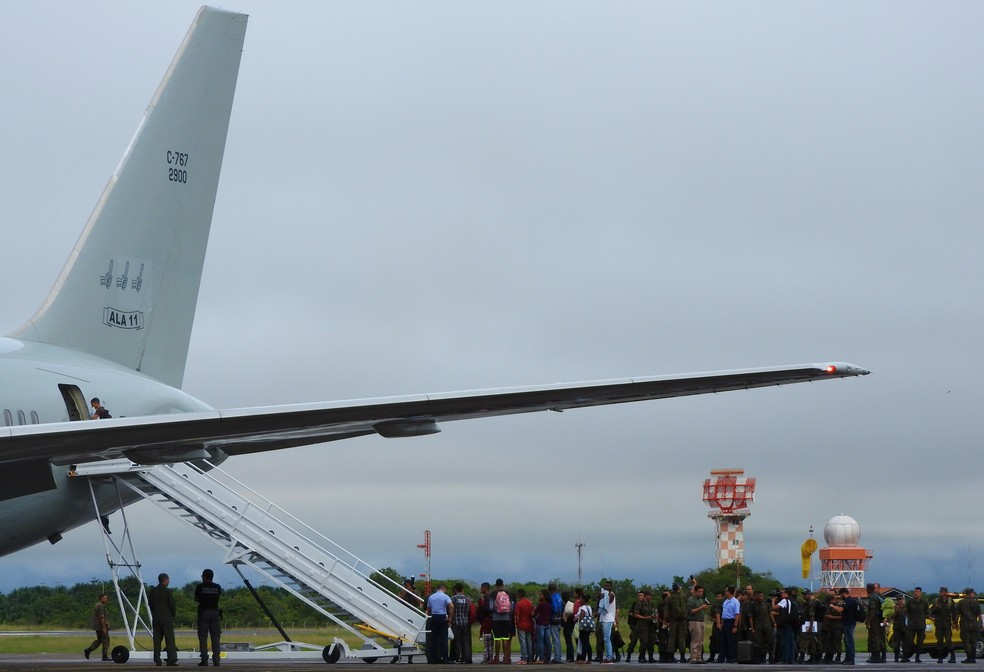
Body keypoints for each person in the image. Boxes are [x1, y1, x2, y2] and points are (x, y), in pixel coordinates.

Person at [149, 573, 179, 667]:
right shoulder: (167, 591)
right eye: (168, 579)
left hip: (156, 618)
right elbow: (172, 605)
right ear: (165, 580)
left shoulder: (153, 591)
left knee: (157, 640)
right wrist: (172, 614)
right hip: (166, 618)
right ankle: (171, 659)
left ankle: (157, 659)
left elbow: (150, 604)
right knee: (170, 640)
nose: (169, 581)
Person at [195, 568, 222, 667]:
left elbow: (196, 599)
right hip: (215, 613)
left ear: (204, 577)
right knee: (215, 638)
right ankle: (216, 660)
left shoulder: (200, 587)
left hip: (204, 613)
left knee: (203, 637)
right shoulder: (217, 587)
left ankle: (204, 660)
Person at [426, 583, 454, 664]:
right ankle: (445, 658)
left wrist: (431, 616)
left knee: (434, 639)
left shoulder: (431, 597)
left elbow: (428, 609)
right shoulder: (445, 597)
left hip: (434, 617)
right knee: (444, 639)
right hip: (442, 617)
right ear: (444, 589)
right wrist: (450, 618)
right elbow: (451, 606)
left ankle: (433, 659)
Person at [931, 586, 957, 664]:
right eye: (940, 591)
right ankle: (940, 658)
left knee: (949, 641)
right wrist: (936, 608)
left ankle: (953, 657)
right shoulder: (936, 601)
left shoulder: (950, 601)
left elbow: (954, 612)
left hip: (947, 624)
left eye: (941, 591)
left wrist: (954, 623)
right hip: (939, 625)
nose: (940, 593)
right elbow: (931, 611)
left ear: (945, 592)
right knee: (939, 641)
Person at [83, 593, 112, 661]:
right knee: (106, 641)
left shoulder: (97, 605)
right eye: (105, 598)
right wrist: (104, 628)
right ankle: (104, 656)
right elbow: (101, 617)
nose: (106, 599)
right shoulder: (101, 606)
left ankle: (88, 650)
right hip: (101, 627)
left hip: (98, 627)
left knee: (100, 640)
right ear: (101, 598)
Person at [687, 583, 710, 663]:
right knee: (695, 640)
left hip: (701, 620)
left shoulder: (700, 599)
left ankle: (699, 657)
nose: (701, 593)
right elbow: (690, 611)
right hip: (694, 621)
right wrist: (700, 608)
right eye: (699, 591)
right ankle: (693, 657)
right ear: (695, 591)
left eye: (702, 592)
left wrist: (705, 607)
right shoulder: (691, 600)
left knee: (700, 641)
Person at [903, 586, 928, 663]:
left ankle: (917, 657)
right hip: (912, 625)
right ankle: (905, 657)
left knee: (920, 642)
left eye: (917, 592)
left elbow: (927, 612)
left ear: (920, 593)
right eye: (915, 592)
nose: (916, 593)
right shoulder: (910, 602)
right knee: (908, 641)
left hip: (921, 625)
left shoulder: (924, 602)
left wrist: (924, 617)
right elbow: (906, 611)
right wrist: (909, 617)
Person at [451, 583, 474, 664]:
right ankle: (466, 657)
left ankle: (457, 657)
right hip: (465, 622)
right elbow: (468, 610)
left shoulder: (453, 598)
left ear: (455, 589)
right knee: (465, 641)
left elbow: (451, 609)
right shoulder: (467, 599)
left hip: (456, 622)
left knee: (456, 640)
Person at [957, 588, 981, 664]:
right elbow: (979, 615)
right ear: (971, 593)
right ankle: (973, 658)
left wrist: (955, 623)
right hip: (974, 624)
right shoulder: (976, 603)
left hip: (965, 624)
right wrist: (981, 624)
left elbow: (957, 614)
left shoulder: (961, 602)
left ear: (966, 594)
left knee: (966, 641)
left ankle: (969, 657)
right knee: (973, 641)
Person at [865, 583, 887, 664]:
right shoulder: (877, 597)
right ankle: (881, 656)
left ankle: (876, 657)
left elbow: (873, 610)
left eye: (867, 588)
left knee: (874, 638)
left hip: (875, 622)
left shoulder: (873, 597)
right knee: (880, 637)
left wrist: (868, 621)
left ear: (869, 589)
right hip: (879, 621)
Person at [718, 586, 740, 664]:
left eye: (726, 591)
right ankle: (721, 658)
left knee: (730, 641)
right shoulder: (726, 601)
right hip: (725, 621)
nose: (725, 592)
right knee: (723, 640)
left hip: (731, 621)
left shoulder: (735, 602)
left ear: (730, 592)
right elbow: (724, 613)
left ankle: (730, 657)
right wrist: (722, 623)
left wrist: (735, 626)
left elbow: (737, 614)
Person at [839, 588, 860, 665]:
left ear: (844, 593)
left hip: (849, 623)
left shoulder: (848, 601)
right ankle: (847, 658)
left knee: (849, 642)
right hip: (849, 623)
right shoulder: (851, 601)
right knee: (847, 641)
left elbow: (840, 610)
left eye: (840, 594)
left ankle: (850, 659)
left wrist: (832, 606)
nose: (840, 596)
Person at [598, 581, 617, 664]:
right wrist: (600, 596)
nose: (606, 587)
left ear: (611, 587)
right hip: (603, 618)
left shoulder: (611, 595)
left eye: (608, 586)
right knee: (605, 638)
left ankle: (609, 657)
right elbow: (598, 599)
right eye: (605, 586)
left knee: (607, 638)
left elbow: (607, 602)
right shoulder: (603, 594)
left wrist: (605, 596)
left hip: (608, 619)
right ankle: (608, 656)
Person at [515, 588, 535, 664]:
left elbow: (517, 615)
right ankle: (530, 658)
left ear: (519, 595)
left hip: (521, 625)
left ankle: (523, 658)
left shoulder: (519, 604)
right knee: (529, 642)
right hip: (529, 625)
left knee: (523, 642)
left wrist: (517, 624)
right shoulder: (529, 603)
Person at [575, 595, 595, 663]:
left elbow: (581, 616)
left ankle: (582, 659)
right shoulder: (589, 607)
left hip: (584, 627)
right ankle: (589, 659)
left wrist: (578, 619)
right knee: (587, 642)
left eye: (580, 598)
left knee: (584, 642)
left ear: (583, 599)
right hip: (588, 627)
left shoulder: (583, 607)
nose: (579, 600)